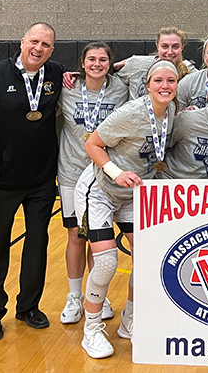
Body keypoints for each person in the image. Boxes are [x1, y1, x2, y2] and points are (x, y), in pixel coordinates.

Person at [0, 22, 62, 342]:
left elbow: (97, 69)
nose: (39, 49)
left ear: (52, 50)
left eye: (46, 45)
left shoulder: (57, 75)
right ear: (22, 42)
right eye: (34, 41)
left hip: (42, 180)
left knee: (37, 245)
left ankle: (29, 307)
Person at [76, 60, 178, 359]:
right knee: (106, 262)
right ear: (147, 85)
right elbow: (92, 144)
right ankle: (92, 329)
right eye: (158, 80)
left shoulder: (170, 110)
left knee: (146, 260)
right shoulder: (131, 113)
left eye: (170, 80)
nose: (165, 86)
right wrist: (115, 172)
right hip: (102, 191)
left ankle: (130, 321)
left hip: (134, 195)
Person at [57, 42, 129, 326]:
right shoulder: (67, 88)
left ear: (110, 63)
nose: (97, 64)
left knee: (99, 238)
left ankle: (97, 294)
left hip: (105, 174)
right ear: (82, 63)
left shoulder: (121, 88)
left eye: (103, 60)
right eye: (91, 59)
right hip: (72, 172)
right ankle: (75, 296)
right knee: (76, 235)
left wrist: (125, 64)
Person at [112, 26, 196, 99]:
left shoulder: (189, 71)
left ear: (182, 47)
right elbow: (110, 82)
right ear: (157, 46)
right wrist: (113, 66)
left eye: (175, 47)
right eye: (165, 46)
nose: (170, 52)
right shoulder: (137, 64)